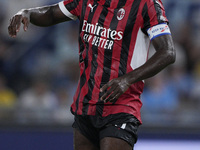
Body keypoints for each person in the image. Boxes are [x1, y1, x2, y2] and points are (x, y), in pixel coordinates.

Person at [8, 0, 175, 149]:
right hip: (85, 104)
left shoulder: (147, 4)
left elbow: (167, 52)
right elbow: (52, 14)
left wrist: (126, 80)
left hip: (120, 106)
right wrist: (28, 13)